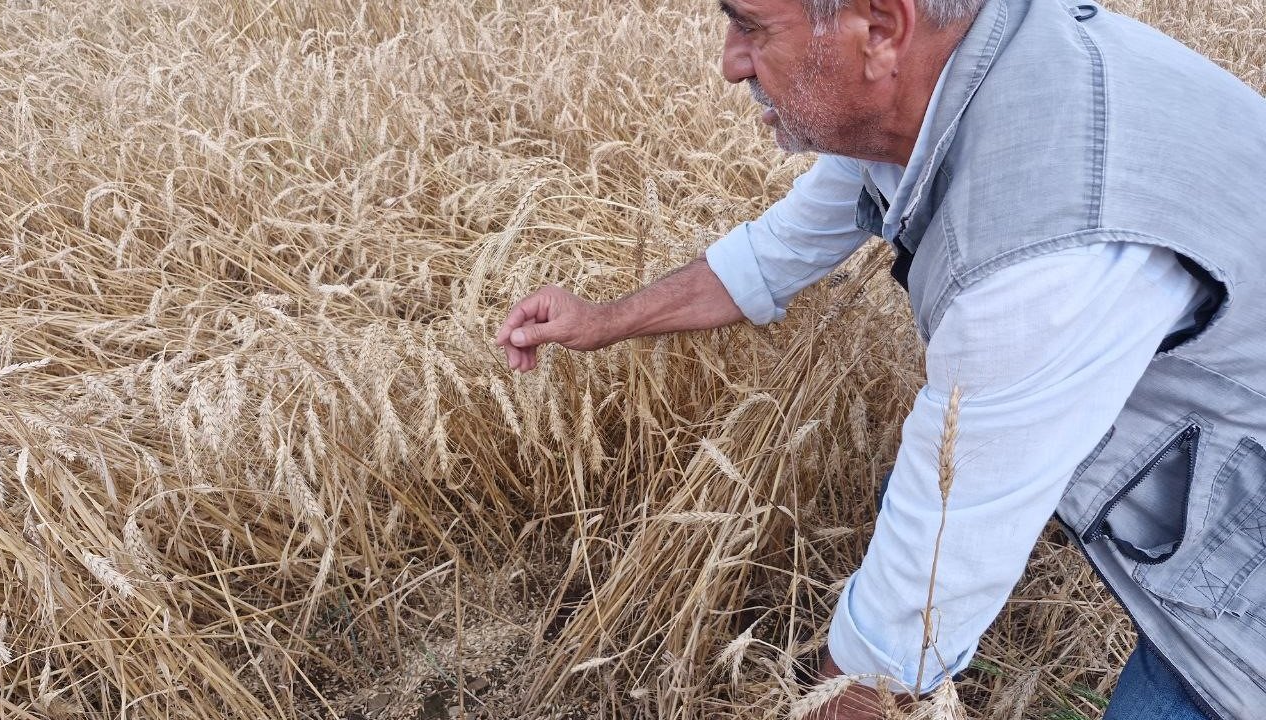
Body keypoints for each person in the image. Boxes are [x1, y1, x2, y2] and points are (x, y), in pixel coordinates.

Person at [494, 0, 1266, 717]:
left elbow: (923, 600)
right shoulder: (947, 88)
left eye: (752, 28)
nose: (730, 62)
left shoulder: (1041, 251)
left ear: (880, 32)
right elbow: (777, 251)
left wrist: (842, 694)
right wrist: (604, 320)